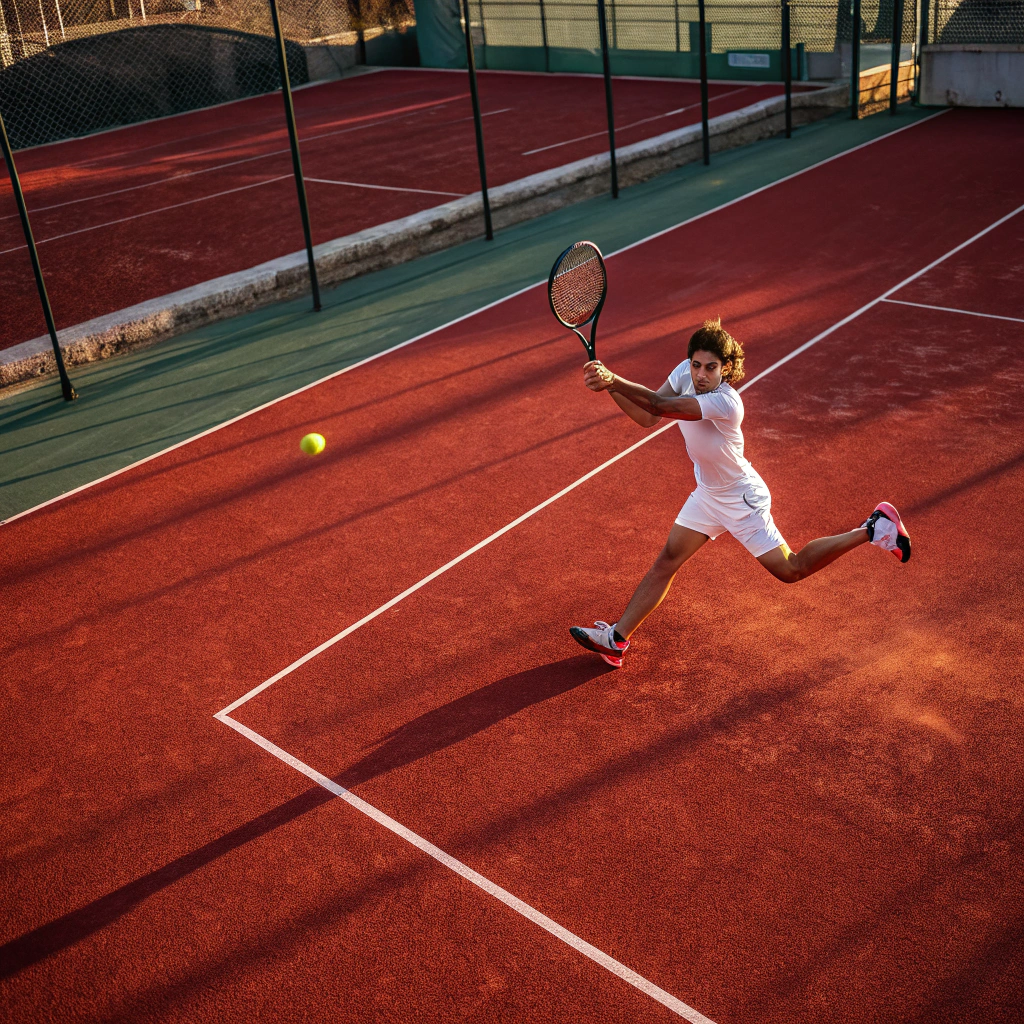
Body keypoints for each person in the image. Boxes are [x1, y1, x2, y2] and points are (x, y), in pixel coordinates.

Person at [570, 318, 910, 668]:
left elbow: (658, 406)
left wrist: (614, 379)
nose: (701, 374)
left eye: (711, 368)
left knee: (791, 570)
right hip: (707, 494)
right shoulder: (685, 374)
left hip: (741, 499)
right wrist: (609, 387)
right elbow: (646, 418)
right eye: (697, 365)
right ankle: (617, 639)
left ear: (726, 369)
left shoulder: (726, 402)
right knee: (667, 561)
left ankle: (872, 528)